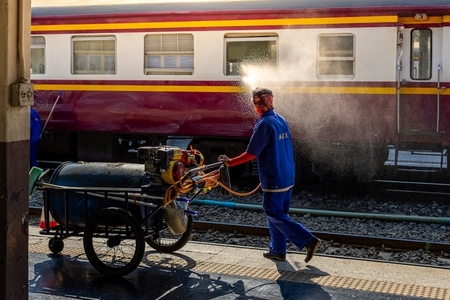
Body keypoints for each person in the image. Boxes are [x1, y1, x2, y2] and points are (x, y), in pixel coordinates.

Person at [218, 87, 321, 263]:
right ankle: (278, 250)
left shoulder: (264, 124)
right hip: (287, 175)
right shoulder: (281, 120)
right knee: (279, 214)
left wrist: (230, 162)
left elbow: (252, 153)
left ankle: (308, 240)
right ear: (271, 100)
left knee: (272, 212)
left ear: (256, 104)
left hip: (274, 178)